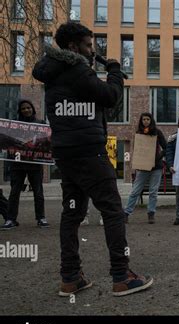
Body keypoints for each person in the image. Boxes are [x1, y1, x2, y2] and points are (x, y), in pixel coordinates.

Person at [32, 22, 153, 296]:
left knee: (72, 213)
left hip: (65, 152)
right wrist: (114, 72)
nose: (92, 50)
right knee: (112, 210)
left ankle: (70, 278)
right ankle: (122, 276)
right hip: (89, 152)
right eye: (88, 45)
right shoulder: (76, 69)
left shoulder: (51, 70)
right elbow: (110, 97)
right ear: (73, 47)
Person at [2, 100, 50, 230]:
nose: (26, 110)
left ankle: (41, 218)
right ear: (20, 110)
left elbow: (46, 142)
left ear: (33, 109)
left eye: (28, 108)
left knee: (38, 192)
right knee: (14, 192)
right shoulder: (13, 125)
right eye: (23, 108)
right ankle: (10, 219)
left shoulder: (40, 124)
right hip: (17, 163)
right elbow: (7, 141)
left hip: (34, 163)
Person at [124, 112, 166, 224]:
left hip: (156, 167)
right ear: (141, 121)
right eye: (144, 119)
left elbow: (166, 147)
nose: (145, 121)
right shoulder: (139, 133)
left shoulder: (157, 132)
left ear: (151, 120)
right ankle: (126, 213)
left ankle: (151, 213)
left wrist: (157, 157)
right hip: (143, 167)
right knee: (135, 191)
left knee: (153, 192)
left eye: (147, 119)